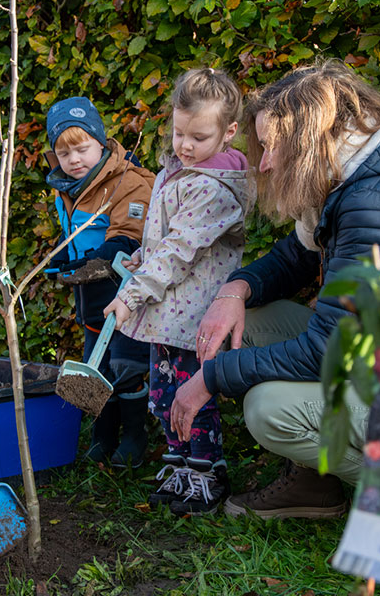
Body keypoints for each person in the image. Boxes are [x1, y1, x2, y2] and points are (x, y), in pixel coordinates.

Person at [170, 59, 380, 520]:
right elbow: (294, 257)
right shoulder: (349, 181)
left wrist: (211, 379)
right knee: (249, 323)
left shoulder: (374, 207)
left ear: (309, 141)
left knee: (267, 408)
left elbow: (328, 353)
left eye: (274, 146)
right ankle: (317, 486)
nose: (267, 161)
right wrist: (233, 291)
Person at [104, 68, 253, 514]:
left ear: (228, 134)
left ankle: (206, 474)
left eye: (199, 138)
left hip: (194, 319)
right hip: (169, 311)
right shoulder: (181, 170)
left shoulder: (216, 189)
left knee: (194, 398)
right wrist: (138, 263)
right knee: (165, 395)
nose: (185, 145)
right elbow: (163, 245)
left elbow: (179, 252)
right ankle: (180, 467)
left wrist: (132, 295)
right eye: (178, 133)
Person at [44, 97, 154, 467]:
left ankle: (135, 437)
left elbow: (130, 233)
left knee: (126, 366)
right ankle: (103, 434)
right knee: (97, 364)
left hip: (124, 292)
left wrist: (106, 256)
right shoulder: (67, 188)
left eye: (82, 148)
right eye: (64, 152)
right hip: (90, 292)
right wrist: (63, 257)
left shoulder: (127, 180)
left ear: (102, 143)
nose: (74, 160)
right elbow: (73, 235)